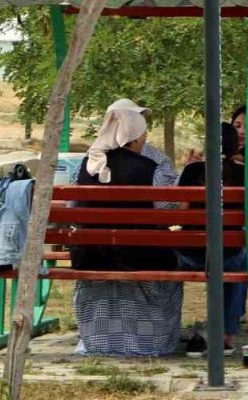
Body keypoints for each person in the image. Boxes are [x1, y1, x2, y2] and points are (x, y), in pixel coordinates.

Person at [71, 106, 183, 357]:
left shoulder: (86, 167)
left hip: (91, 257)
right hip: (142, 256)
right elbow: (168, 212)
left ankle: (99, 342)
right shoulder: (151, 168)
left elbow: (73, 209)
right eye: (143, 134)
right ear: (134, 137)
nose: (145, 139)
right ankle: (149, 342)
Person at [176, 122, 248, 356]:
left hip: (190, 254)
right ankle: (226, 334)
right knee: (240, 258)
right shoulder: (245, 171)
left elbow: (181, 210)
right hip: (228, 254)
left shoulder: (193, 171)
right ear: (236, 147)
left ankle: (174, 328)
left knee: (233, 254)